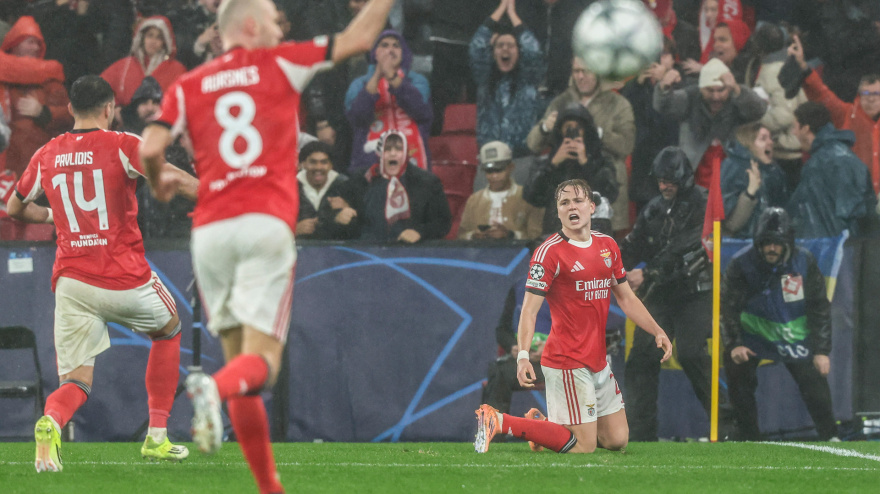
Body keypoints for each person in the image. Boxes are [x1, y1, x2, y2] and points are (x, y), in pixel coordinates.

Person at [139, 1, 395, 492]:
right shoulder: (282, 61)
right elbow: (361, 38)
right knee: (262, 367)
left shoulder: (188, 85)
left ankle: (268, 486)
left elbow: (151, 150)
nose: (282, 29)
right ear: (251, 26)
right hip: (264, 225)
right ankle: (210, 389)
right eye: (276, 22)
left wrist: (157, 183)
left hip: (211, 232)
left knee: (240, 366)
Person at [5, 75, 198, 472]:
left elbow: (14, 208)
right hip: (122, 274)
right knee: (170, 328)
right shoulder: (123, 143)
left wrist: (54, 216)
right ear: (110, 108)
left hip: (72, 280)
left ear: (71, 109)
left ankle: (51, 421)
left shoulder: (47, 152)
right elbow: (171, 178)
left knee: (76, 381)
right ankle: (157, 438)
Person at [474, 178, 673, 454]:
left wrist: (657, 331)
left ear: (591, 207)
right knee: (584, 446)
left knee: (617, 441)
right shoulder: (549, 253)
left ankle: (546, 429)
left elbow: (626, 297)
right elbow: (529, 311)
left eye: (578, 200)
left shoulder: (608, 246)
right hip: (566, 359)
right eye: (564, 202)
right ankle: (498, 420)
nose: (572, 206)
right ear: (558, 212)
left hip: (597, 359)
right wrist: (522, 357)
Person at [618, 147, 718, 441]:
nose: (664, 186)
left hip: (695, 291)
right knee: (641, 356)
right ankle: (639, 433)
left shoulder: (702, 203)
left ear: (685, 177)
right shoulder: (654, 208)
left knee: (691, 353)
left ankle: (724, 425)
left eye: (670, 181)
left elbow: (688, 248)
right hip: (662, 292)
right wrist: (611, 267)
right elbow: (633, 245)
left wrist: (646, 273)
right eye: (661, 180)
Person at [721, 207, 838, 441]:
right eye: (766, 243)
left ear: (788, 243)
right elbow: (728, 308)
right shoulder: (740, 264)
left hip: (793, 335)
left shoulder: (804, 261)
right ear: (758, 243)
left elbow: (818, 306)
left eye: (777, 243)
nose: (771, 248)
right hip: (753, 335)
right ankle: (748, 439)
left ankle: (831, 436)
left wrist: (822, 350)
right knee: (738, 375)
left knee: (815, 383)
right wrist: (734, 344)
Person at [526, 57, 635, 232]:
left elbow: (626, 145)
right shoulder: (560, 103)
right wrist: (545, 128)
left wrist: (596, 133)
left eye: (586, 71)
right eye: (577, 71)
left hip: (603, 192)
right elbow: (532, 144)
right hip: (564, 193)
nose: (581, 77)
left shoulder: (618, 104)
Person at [654, 57, 768, 189]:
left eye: (721, 90)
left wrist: (737, 89)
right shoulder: (691, 97)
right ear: (701, 88)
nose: (716, 97)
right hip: (695, 178)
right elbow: (663, 106)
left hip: (730, 177)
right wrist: (664, 87)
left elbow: (759, 110)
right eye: (710, 90)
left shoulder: (736, 98)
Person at [788, 34, 880, 196]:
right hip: (854, 200)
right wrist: (803, 67)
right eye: (866, 93)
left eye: (876, 94)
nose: (871, 99)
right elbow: (822, 95)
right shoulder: (846, 113)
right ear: (858, 95)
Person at [344, 29, 432, 173]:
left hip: (413, 158)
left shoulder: (417, 80)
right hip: (369, 161)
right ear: (375, 52)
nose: (390, 50)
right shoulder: (359, 83)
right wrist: (378, 74)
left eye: (396, 46)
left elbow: (420, 111)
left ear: (403, 52)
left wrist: (391, 75)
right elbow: (357, 117)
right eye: (384, 45)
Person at [523, 104, 619, 236]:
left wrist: (586, 164)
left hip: (593, 233)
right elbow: (532, 196)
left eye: (578, 128)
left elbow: (610, 193)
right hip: (557, 233)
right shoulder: (547, 161)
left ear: (586, 130)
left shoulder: (602, 161)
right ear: (560, 130)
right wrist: (552, 165)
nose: (573, 132)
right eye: (568, 128)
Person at [345, 129, 451, 243]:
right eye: (387, 149)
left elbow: (442, 222)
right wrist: (340, 214)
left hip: (411, 252)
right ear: (380, 153)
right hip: (370, 251)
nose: (393, 153)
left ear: (406, 153)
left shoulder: (427, 182)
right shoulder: (363, 179)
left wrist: (420, 232)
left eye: (398, 149)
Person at [788, 102, 876, 238]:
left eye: (795, 127)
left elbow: (812, 220)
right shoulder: (850, 157)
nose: (794, 132)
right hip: (857, 246)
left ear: (805, 129)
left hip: (831, 249)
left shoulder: (816, 166)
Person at [469, 0, 544, 157]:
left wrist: (512, 13)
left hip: (521, 155)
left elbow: (533, 50)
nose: (505, 49)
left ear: (519, 52)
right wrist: (502, 6)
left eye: (511, 45)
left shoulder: (528, 80)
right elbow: (476, 46)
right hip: (490, 154)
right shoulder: (484, 78)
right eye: (500, 45)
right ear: (493, 52)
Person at [0, 16, 72, 177]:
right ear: (14, 43)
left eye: (38, 43)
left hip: (41, 164)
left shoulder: (51, 83)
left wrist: (44, 112)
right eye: (30, 42)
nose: (35, 48)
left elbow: (69, 114)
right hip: (7, 164)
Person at [458, 140, 543, 240]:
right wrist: (474, 236)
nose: (494, 176)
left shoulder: (529, 197)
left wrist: (510, 235)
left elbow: (537, 237)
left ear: (511, 167)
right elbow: (461, 236)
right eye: (489, 171)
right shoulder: (474, 200)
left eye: (499, 170)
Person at [100, 16, 188, 110]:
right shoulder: (124, 65)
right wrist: (116, 110)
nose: (153, 41)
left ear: (165, 42)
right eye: (150, 35)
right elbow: (100, 89)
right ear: (142, 38)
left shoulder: (177, 69)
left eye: (159, 38)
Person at [720, 123, 789, 238]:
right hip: (738, 246)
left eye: (770, 138)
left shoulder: (774, 171)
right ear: (748, 144)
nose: (771, 142)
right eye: (763, 139)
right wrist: (750, 193)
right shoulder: (733, 168)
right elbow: (731, 225)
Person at [296, 140, 358, 240]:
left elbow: (359, 228)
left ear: (330, 165)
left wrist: (347, 214)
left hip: (336, 251)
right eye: (313, 162)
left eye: (324, 162)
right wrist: (294, 230)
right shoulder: (291, 187)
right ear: (303, 164)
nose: (318, 167)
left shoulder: (344, 186)